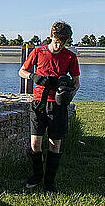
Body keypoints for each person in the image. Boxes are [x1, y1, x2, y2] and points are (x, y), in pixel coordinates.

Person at [18, 21, 80, 193]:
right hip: (38, 103)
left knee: (54, 143)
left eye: (64, 42)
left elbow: (76, 83)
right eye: (57, 40)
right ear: (51, 36)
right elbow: (21, 71)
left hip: (57, 106)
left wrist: (68, 95)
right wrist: (33, 77)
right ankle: (37, 175)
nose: (60, 45)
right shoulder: (38, 52)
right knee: (35, 143)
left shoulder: (70, 56)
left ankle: (49, 182)